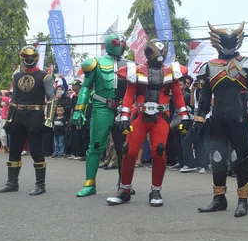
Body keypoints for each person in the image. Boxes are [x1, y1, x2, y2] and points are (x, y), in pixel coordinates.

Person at [195, 22, 248, 218]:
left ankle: (243, 201)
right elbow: (204, 98)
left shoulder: (247, 64)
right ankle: (219, 199)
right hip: (218, 120)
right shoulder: (209, 67)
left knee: (240, 161)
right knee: (217, 159)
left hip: (239, 120)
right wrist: (199, 119)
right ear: (215, 43)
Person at [108, 40, 190, 207]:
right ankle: (124, 190)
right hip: (140, 115)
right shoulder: (136, 71)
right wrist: (124, 116)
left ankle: (156, 190)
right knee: (129, 151)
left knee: (159, 152)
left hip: (161, 117)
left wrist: (185, 116)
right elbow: (129, 95)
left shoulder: (171, 72)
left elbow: (178, 95)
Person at [73, 33, 130, 197]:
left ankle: (124, 184)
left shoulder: (130, 64)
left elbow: (136, 91)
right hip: (101, 107)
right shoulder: (94, 62)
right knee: (96, 146)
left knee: (123, 148)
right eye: (117, 41)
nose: (120, 44)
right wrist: (79, 109)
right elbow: (85, 87)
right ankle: (89, 184)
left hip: (122, 110)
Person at [0, 46, 55, 196]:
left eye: (31, 57)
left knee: (35, 151)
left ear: (36, 58)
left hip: (36, 115)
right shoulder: (17, 76)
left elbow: (51, 99)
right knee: (14, 150)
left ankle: (41, 185)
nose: (28, 60)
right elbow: (14, 100)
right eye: (25, 57)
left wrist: (48, 119)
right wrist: (8, 120)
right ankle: (12, 183)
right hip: (19, 115)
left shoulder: (45, 76)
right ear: (22, 58)